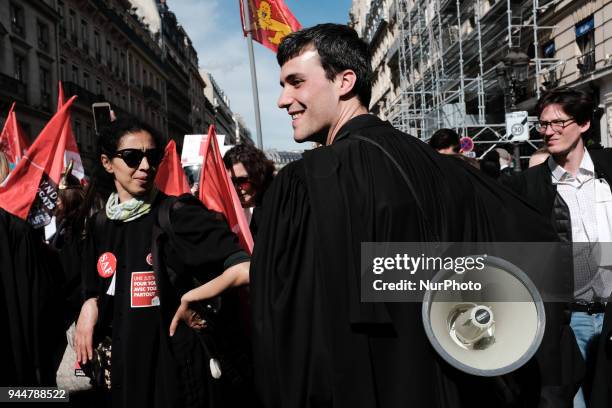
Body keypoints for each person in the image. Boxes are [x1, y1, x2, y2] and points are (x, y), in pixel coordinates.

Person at [183, 24, 580, 407]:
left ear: (345, 81)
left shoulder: (306, 184)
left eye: (296, 82)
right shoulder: (451, 170)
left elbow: (294, 319)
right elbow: (540, 259)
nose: (282, 100)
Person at [74, 119, 251, 408]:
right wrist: (88, 303)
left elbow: (245, 267)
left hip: (173, 374)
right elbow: (91, 283)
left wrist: (194, 297)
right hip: (120, 375)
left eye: (152, 156)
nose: (145, 166)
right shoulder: (100, 224)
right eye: (132, 157)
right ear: (107, 163)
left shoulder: (178, 214)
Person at [504, 87, 612, 408]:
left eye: (557, 124)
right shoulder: (526, 186)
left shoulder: (608, 170)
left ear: (583, 125)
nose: (548, 132)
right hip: (566, 320)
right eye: (543, 124)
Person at [223, 144, 275, 236]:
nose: (236, 188)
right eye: (230, 182)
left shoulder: (277, 210)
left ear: (259, 175)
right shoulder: (224, 214)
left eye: (242, 181)